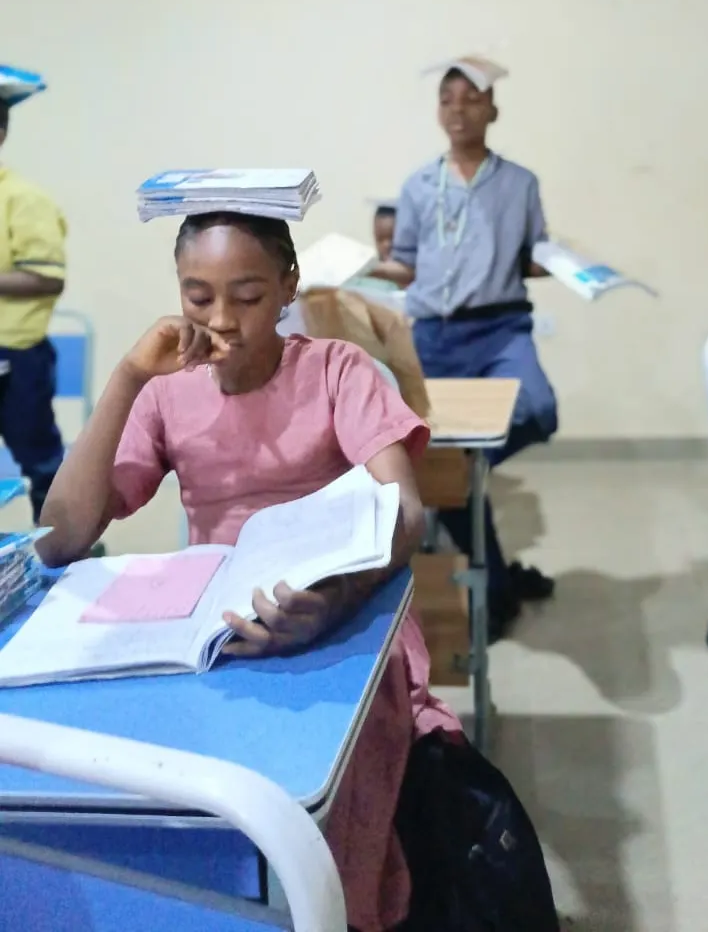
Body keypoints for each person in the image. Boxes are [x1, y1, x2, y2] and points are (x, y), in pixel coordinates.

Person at [36, 210, 462, 932]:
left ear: (289, 285)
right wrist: (128, 377)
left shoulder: (336, 371)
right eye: (198, 296)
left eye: (249, 295)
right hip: (222, 634)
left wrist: (332, 600)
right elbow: (61, 538)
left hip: (345, 621)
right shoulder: (167, 390)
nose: (222, 320)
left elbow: (404, 513)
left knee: (335, 799)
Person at [372, 56, 557, 639]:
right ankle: (497, 591)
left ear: (492, 109)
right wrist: (357, 268)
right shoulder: (417, 186)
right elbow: (405, 263)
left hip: (501, 328)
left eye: (471, 98)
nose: (458, 109)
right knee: (444, 467)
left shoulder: (521, 184)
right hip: (434, 334)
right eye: (447, 99)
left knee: (539, 409)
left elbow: (533, 256)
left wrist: (568, 265)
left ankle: (467, 469)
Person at [0, 95, 67, 523]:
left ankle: (62, 552)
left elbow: (48, 277)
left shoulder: (24, 199)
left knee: (43, 465)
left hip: (15, 355)